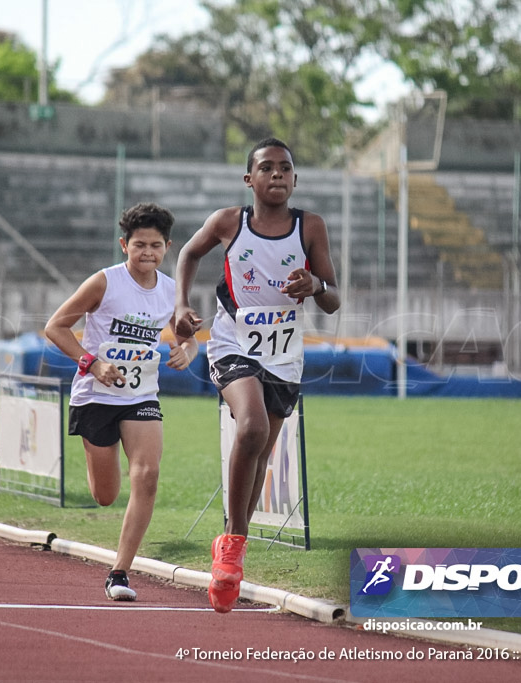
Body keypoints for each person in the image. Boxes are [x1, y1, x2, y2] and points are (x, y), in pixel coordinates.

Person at [173, 138, 340, 613]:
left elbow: (333, 299)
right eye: (266, 168)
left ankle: (231, 543)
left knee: (262, 450)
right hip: (232, 343)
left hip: (284, 355)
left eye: (285, 169)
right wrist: (182, 304)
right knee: (251, 427)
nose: (277, 176)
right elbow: (187, 254)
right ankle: (232, 546)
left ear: (295, 179)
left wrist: (316, 285)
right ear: (249, 179)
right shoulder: (230, 222)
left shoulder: (310, 227)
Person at [45, 202, 197, 601]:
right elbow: (55, 327)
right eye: (139, 245)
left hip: (140, 396)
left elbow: (188, 336)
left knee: (146, 475)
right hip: (96, 395)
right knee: (105, 495)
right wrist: (91, 364)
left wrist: (187, 351)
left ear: (168, 247)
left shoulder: (170, 291)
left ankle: (120, 572)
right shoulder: (104, 283)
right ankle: (98, 465)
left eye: (156, 246)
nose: (148, 253)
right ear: (123, 245)